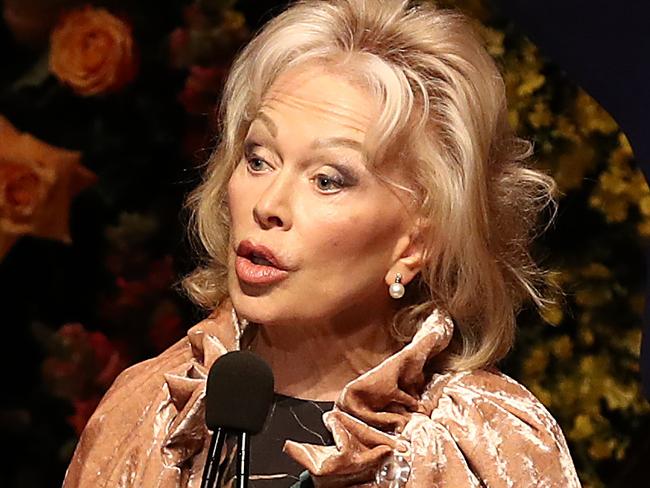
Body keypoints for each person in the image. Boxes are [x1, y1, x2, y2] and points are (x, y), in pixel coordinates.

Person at [62, 0, 581, 486]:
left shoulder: (483, 447)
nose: (268, 203)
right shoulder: (146, 407)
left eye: (328, 179)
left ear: (419, 238)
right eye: (259, 159)